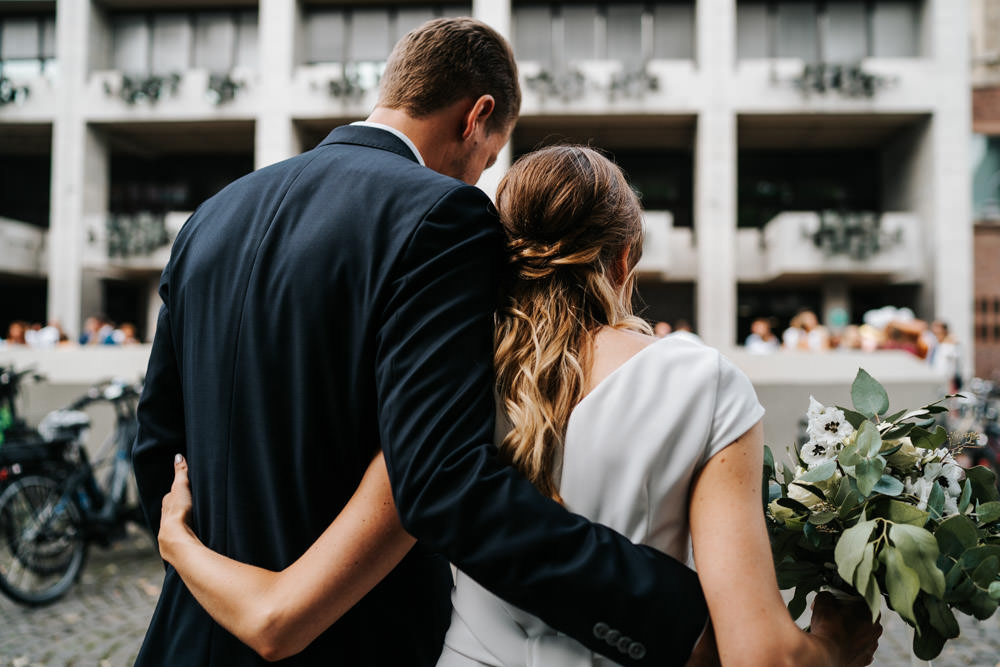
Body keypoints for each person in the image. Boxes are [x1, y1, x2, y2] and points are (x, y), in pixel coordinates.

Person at [157, 146, 882, 666]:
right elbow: (759, 654)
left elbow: (290, 605)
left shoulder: (446, 386)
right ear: (625, 258)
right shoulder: (702, 382)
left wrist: (180, 542)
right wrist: (833, 647)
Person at [134, 18, 712, 667]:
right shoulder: (444, 215)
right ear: (478, 116)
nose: (476, 177)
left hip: (191, 635)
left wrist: (198, 556)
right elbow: (441, 482)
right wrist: (674, 617)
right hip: (353, 643)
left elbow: (157, 450)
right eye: (488, 159)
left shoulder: (212, 216)